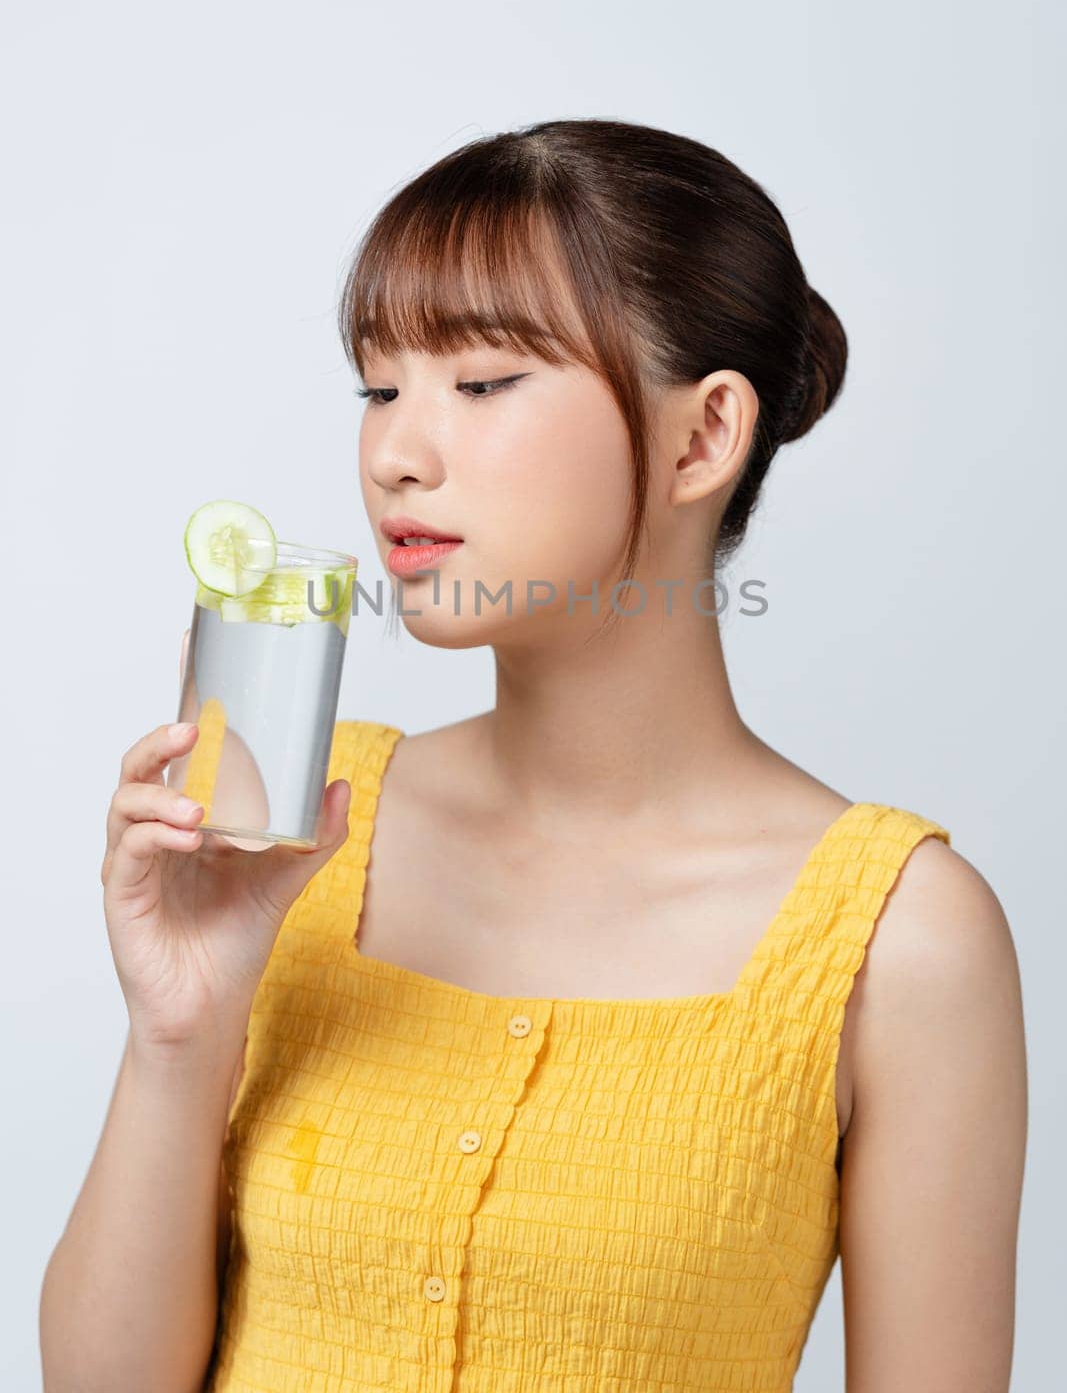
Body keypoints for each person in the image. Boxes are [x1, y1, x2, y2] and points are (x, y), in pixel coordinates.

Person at [40, 119, 1027, 1393]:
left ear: (699, 439)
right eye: (380, 387)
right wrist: (179, 1034)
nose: (395, 452)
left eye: (484, 383)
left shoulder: (900, 939)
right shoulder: (290, 836)